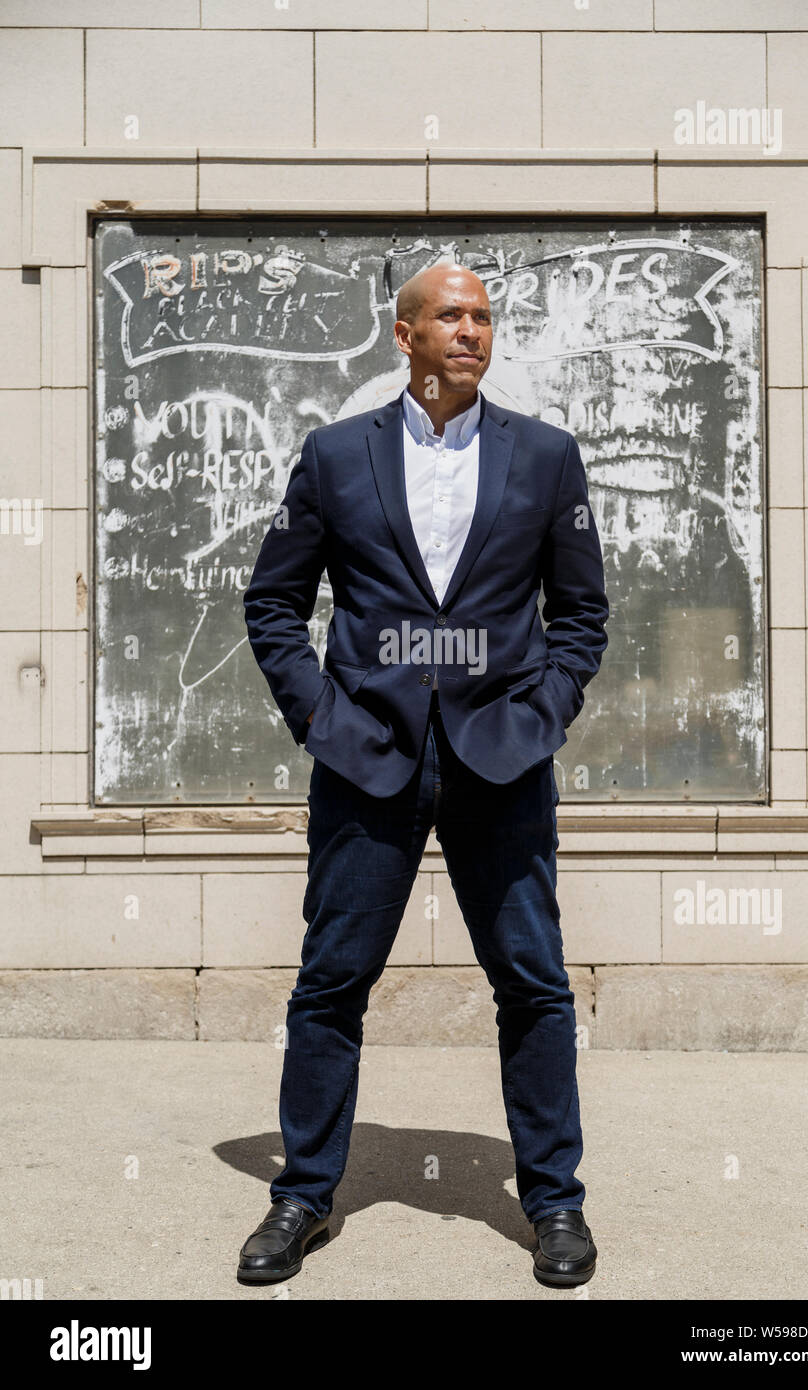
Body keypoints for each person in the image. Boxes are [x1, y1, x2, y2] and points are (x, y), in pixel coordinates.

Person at [239, 262, 609, 1288]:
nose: (470, 331)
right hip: (368, 761)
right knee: (329, 985)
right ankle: (302, 1194)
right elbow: (273, 603)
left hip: (501, 760)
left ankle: (554, 1204)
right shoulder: (332, 458)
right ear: (402, 334)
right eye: (449, 315)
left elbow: (580, 616)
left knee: (531, 986)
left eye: (483, 317)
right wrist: (320, 716)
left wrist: (542, 712)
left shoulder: (543, 457)